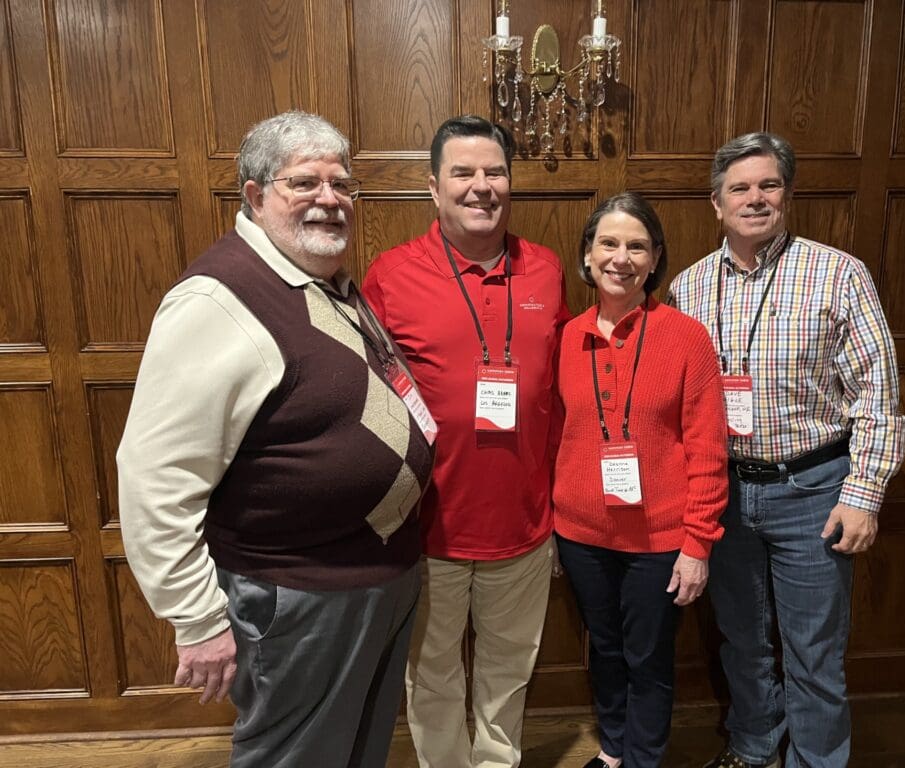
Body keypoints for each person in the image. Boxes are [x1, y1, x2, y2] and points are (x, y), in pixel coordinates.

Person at [116, 110, 435, 768]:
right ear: (255, 195)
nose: (329, 199)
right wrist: (198, 619)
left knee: (352, 751)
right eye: (304, 183)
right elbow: (154, 476)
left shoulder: (321, 279)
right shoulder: (219, 301)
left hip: (370, 581)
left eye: (342, 184)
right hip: (301, 596)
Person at [666, 132, 905, 768]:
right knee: (741, 642)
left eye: (768, 185)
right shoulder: (686, 289)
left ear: (787, 195)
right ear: (715, 203)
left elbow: (878, 399)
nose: (755, 198)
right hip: (726, 494)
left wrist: (863, 496)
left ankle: (817, 760)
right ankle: (753, 746)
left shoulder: (838, 273)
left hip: (814, 492)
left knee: (814, 649)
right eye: (739, 188)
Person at [362, 114, 570, 768]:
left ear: (511, 182)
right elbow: (367, 402)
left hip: (525, 521)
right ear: (434, 187)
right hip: (428, 526)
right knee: (432, 675)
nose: (481, 187)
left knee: (509, 668)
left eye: (495, 172)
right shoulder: (391, 276)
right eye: (463, 173)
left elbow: (562, 394)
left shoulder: (547, 270)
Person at [553, 192, 729, 768]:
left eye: (637, 246)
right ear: (587, 253)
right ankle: (612, 752)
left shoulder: (686, 337)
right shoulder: (565, 338)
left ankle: (643, 760)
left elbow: (708, 448)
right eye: (608, 243)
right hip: (581, 535)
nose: (621, 258)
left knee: (648, 658)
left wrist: (697, 543)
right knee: (604, 650)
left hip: (660, 539)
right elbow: (556, 435)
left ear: (655, 259)